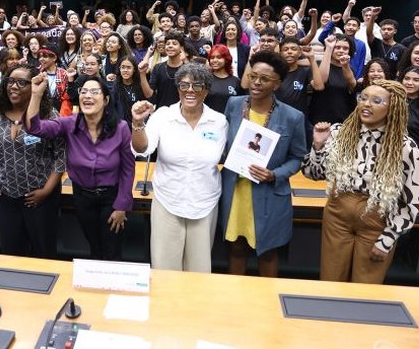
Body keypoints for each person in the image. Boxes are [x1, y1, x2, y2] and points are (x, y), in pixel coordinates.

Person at [303, 79, 419, 284]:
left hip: (376, 218)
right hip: (337, 213)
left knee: (366, 284)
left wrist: (387, 239)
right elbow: (311, 173)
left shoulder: (405, 147)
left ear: (392, 107)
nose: (366, 104)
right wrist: (318, 145)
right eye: (363, 98)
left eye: (377, 100)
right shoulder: (340, 133)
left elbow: (410, 201)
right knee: (330, 280)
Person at [131, 63, 227, 272]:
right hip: (168, 200)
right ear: (178, 89)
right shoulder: (163, 116)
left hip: (204, 203)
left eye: (197, 85)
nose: (190, 90)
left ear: (207, 90)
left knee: (199, 271)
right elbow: (142, 149)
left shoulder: (219, 122)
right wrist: (137, 123)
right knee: (165, 268)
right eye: (184, 86)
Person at [26, 75, 134, 260]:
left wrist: (122, 206)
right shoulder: (69, 123)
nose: (87, 96)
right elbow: (34, 129)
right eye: (83, 91)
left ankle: (113, 286)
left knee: (112, 249)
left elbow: (127, 168)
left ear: (106, 100)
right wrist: (36, 94)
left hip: (111, 197)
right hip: (83, 197)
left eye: (94, 92)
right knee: (93, 246)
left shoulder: (121, 127)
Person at [220, 51, 307, 277]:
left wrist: (274, 174)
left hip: (268, 192)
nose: (256, 82)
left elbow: (298, 158)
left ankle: (268, 306)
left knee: (267, 252)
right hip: (236, 189)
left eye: (264, 79)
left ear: (277, 84)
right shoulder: (234, 104)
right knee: (236, 247)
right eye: (253, 76)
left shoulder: (292, 117)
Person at [0, 64, 66, 258]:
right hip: (7, 196)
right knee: (11, 251)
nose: (13, 86)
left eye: (21, 83)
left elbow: (62, 156)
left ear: (34, 87)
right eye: (10, 82)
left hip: (39, 196)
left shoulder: (49, 117)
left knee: (43, 253)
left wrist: (46, 191)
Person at [309, 34, 356, 125]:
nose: (341, 51)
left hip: (343, 120)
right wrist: (329, 48)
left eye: (345, 48)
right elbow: (321, 83)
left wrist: (345, 66)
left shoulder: (349, 69)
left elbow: (352, 88)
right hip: (320, 120)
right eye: (337, 47)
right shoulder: (318, 64)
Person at [112, 55, 152, 127]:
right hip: (121, 127)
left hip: (139, 125)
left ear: (134, 69)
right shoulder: (115, 87)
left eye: (129, 67)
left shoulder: (140, 85)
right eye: (123, 67)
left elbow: (148, 97)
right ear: (119, 69)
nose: (125, 70)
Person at [205, 45, 241, 114]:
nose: (215, 60)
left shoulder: (236, 81)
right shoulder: (205, 80)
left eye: (219, 57)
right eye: (212, 57)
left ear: (226, 59)